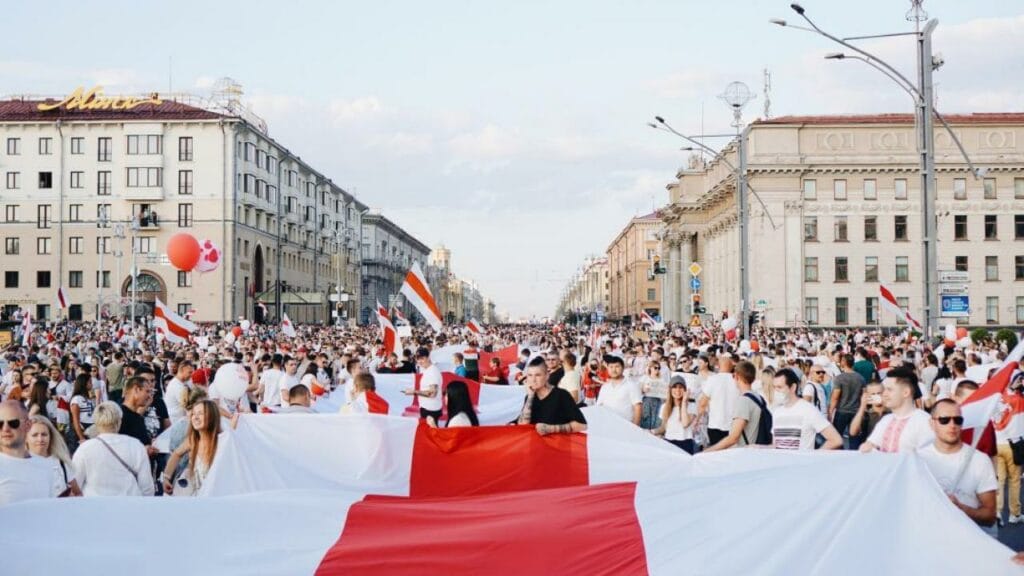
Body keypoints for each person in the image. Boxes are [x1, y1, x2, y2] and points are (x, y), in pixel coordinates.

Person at [917, 399, 997, 528]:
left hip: (969, 541)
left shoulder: (980, 460)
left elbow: (990, 516)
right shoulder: (918, 459)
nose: (952, 425)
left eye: (958, 420)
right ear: (932, 423)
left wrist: (961, 509)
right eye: (944, 420)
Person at [71, 401, 155, 497]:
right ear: (120, 420)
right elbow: (147, 487)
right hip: (129, 505)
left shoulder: (85, 449)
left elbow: (75, 485)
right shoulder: (136, 445)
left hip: (95, 506)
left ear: (96, 422)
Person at [0, 400, 64, 505]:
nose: (5, 429)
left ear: (28, 425)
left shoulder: (46, 465)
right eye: (0, 424)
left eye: (13, 423)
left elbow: (50, 508)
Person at [860, 366, 934, 454]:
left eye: (889, 389)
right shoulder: (886, 420)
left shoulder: (925, 422)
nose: (884, 394)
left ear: (906, 392)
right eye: (885, 389)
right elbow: (868, 446)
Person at [704, 361, 770, 452]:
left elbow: (733, 437)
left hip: (744, 454)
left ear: (736, 376)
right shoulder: (758, 397)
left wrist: (708, 451)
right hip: (756, 451)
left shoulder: (744, 401)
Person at [770, 368, 842, 450]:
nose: (776, 391)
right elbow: (775, 445)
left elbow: (836, 440)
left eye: (779, 387)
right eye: (774, 387)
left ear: (793, 387)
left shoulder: (808, 410)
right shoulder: (777, 412)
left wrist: (813, 457)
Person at [162, 399, 223, 496]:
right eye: (194, 414)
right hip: (197, 497)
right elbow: (176, 454)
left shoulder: (222, 441)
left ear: (212, 416)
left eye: (201, 413)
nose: (196, 417)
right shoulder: (193, 440)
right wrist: (166, 477)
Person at [516, 356, 587, 435]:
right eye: (530, 375)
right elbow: (522, 425)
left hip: (557, 445)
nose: (533, 379)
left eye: (538, 375)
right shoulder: (529, 397)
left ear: (547, 376)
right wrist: (530, 397)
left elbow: (582, 425)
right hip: (536, 445)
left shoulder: (561, 395)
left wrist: (551, 429)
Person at [27, 415, 81, 496]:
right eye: (35, 435)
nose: (40, 439)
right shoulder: (20, 464)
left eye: (44, 434)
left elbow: (78, 494)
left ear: (50, 436)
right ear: (26, 438)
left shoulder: (61, 462)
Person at [698, 354, 739, 446]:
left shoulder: (712, 380)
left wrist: (697, 419)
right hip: (733, 426)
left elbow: (703, 403)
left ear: (718, 366)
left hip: (715, 424)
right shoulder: (737, 380)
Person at [829, 353, 865, 449]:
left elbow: (835, 397)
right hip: (855, 411)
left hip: (842, 411)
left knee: (837, 437)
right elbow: (863, 395)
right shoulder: (861, 378)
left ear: (843, 363)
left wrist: (830, 411)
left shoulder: (839, 378)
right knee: (854, 437)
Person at [652, 376, 694, 453]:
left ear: (685, 390)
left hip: (685, 443)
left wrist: (684, 402)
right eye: (674, 387)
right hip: (669, 443)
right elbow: (664, 428)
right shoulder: (664, 407)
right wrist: (652, 432)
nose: (677, 390)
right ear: (670, 389)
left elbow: (685, 424)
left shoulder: (691, 406)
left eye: (680, 387)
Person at [595, 355, 642, 425]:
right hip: (607, 424)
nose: (614, 370)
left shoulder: (631, 385)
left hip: (625, 426)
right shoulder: (605, 387)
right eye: (611, 367)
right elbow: (599, 406)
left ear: (623, 368)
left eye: (617, 366)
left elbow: (638, 407)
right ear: (607, 369)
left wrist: (635, 428)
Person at [404, 347, 442, 422]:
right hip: (428, 408)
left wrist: (414, 392)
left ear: (428, 357)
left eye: (422, 358)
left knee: (431, 433)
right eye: (418, 359)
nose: (420, 361)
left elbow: (432, 393)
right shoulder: (428, 370)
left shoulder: (432, 372)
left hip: (430, 410)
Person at [68, 373, 95, 453]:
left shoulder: (88, 398)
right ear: (84, 384)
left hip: (90, 429)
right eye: (90, 382)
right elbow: (76, 420)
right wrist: (81, 438)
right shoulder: (77, 399)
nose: (92, 384)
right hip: (81, 430)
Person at [164, 360, 195, 424]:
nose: (191, 375)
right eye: (189, 372)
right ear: (182, 370)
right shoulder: (176, 386)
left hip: (183, 420)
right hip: (177, 422)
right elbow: (188, 406)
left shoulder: (186, 381)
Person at [639, 362, 668, 430]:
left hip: (658, 400)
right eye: (655, 368)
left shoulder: (662, 379)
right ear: (650, 368)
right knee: (646, 417)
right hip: (647, 399)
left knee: (656, 418)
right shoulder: (645, 378)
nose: (657, 370)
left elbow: (665, 391)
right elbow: (639, 389)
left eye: (658, 368)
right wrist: (643, 389)